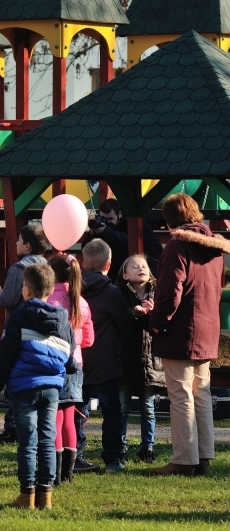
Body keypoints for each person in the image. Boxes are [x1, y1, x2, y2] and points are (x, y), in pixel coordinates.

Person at [0, 264, 78, 510]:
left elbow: (5, 356)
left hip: (24, 388)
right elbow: (70, 355)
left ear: (26, 290)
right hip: (53, 388)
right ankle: (46, 496)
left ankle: (27, 495)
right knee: (47, 439)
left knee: (28, 442)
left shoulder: (20, 317)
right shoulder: (62, 319)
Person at [149, 193, 230, 476]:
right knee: (202, 394)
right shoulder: (216, 246)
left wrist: (156, 323)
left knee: (181, 395)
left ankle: (184, 459)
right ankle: (204, 455)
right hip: (208, 329)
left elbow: (171, 291)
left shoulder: (177, 244)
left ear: (170, 219)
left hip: (182, 331)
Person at [75, 239, 131, 473]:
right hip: (106, 361)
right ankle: (112, 459)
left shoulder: (73, 289)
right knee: (112, 412)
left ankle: (74, 454)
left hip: (78, 359)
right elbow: (125, 325)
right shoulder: (111, 293)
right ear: (109, 264)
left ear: (83, 263)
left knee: (76, 411)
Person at [0, 224, 49, 445]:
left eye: (19, 240)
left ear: (27, 245)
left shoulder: (18, 269)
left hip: (19, 330)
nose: (15, 243)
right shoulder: (49, 266)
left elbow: (10, 300)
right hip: (43, 331)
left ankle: (13, 428)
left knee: (14, 377)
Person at [46, 254, 93, 484]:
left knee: (54, 417)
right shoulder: (81, 302)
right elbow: (89, 340)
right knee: (68, 418)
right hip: (77, 365)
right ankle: (68, 473)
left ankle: (53, 473)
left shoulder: (47, 300)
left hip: (52, 363)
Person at [115, 254, 164, 464]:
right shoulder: (118, 294)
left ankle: (147, 447)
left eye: (143, 266)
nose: (140, 269)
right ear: (125, 274)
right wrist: (133, 313)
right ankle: (120, 447)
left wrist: (154, 314)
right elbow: (115, 319)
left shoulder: (159, 293)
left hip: (151, 359)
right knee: (122, 407)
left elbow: (166, 322)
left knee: (148, 407)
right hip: (124, 358)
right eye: (134, 267)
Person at [83, 198, 163, 281]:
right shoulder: (104, 228)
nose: (108, 222)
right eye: (104, 219)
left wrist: (107, 232)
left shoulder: (132, 221)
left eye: (110, 219)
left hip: (149, 267)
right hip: (118, 270)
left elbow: (131, 241)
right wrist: (93, 233)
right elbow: (86, 248)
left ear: (120, 214)